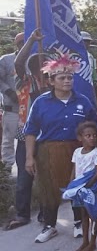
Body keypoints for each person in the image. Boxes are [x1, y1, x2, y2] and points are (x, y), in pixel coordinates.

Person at [24, 54, 97, 243]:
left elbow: (95, 126)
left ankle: (77, 222)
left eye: (70, 77)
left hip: (77, 152)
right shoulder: (41, 102)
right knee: (49, 189)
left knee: (76, 186)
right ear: (52, 81)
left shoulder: (83, 101)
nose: (67, 81)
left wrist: (96, 152)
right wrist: (29, 157)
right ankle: (49, 225)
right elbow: (31, 131)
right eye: (62, 78)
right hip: (48, 151)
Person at [5, 30, 48, 231]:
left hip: (48, 138)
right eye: (36, 64)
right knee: (24, 177)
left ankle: (46, 213)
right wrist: (31, 40)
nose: (40, 68)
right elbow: (18, 63)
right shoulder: (24, 82)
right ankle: (22, 214)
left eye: (43, 64)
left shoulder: (54, 86)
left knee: (46, 177)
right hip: (25, 137)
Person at [62, 121, 97, 251]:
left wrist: (86, 186)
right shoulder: (77, 152)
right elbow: (74, 170)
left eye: (94, 135)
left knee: (93, 214)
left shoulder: (96, 153)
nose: (92, 138)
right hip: (79, 188)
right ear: (80, 138)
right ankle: (85, 241)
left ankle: (93, 243)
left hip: (89, 188)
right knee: (84, 215)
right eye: (88, 136)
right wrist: (72, 185)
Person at [0, 32, 24, 170]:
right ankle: (8, 167)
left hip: (28, 109)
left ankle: (25, 167)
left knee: (28, 139)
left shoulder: (33, 59)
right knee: (8, 139)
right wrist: (9, 91)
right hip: (12, 108)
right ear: (17, 44)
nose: (23, 45)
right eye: (21, 42)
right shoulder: (6, 60)